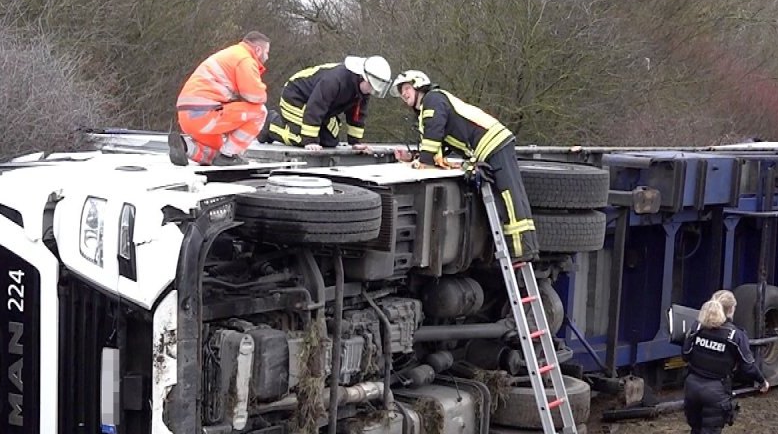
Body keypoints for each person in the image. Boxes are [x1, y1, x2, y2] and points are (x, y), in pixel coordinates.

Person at [389, 70, 539, 262]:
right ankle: (521, 249)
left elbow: (433, 135)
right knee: (507, 196)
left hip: (493, 144)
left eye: (407, 88)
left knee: (509, 196)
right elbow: (438, 147)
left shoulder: (433, 100)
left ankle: (522, 250)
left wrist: (423, 162)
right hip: (489, 146)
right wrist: (411, 157)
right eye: (401, 91)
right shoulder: (429, 107)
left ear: (419, 85)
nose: (404, 94)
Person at [681, 292, 769, 434]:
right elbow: (748, 366)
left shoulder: (697, 327)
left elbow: (685, 355)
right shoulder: (735, 335)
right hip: (716, 391)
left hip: (692, 387)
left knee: (696, 431)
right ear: (731, 310)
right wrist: (762, 382)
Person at [170, 31, 271, 167]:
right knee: (260, 112)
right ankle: (229, 155)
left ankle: (186, 146)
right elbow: (254, 96)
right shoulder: (245, 59)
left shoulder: (231, 54)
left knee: (216, 154)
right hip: (205, 114)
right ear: (258, 50)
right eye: (267, 52)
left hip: (187, 117)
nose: (267, 57)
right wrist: (263, 92)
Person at [257, 55, 391, 153]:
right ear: (363, 77)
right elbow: (315, 106)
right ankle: (271, 125)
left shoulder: (363, 89)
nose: (372, 91)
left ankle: (307, 135)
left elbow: (357, 114)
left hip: (321, 108)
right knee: (302, 138)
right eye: (371, 86)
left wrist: (355, 142)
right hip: (295, 97)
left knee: (330, 142)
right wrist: (309, 140)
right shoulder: (334, 81)